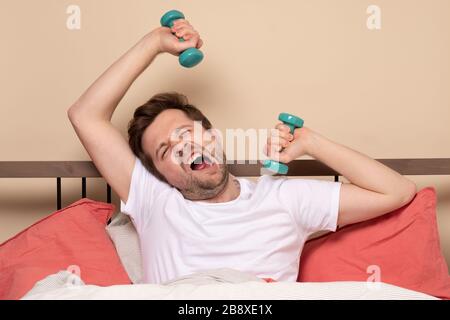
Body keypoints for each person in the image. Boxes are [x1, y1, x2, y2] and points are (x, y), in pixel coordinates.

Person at [67, 19, 417, 284]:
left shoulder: (284, 198)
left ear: (213, 138)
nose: (183, 146)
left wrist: (310, 142)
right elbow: (85, 115)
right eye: (165, 150)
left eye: (186, 133)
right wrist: (155, 43)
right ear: (161, 176)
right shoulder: (154, 200)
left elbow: (397, 191)